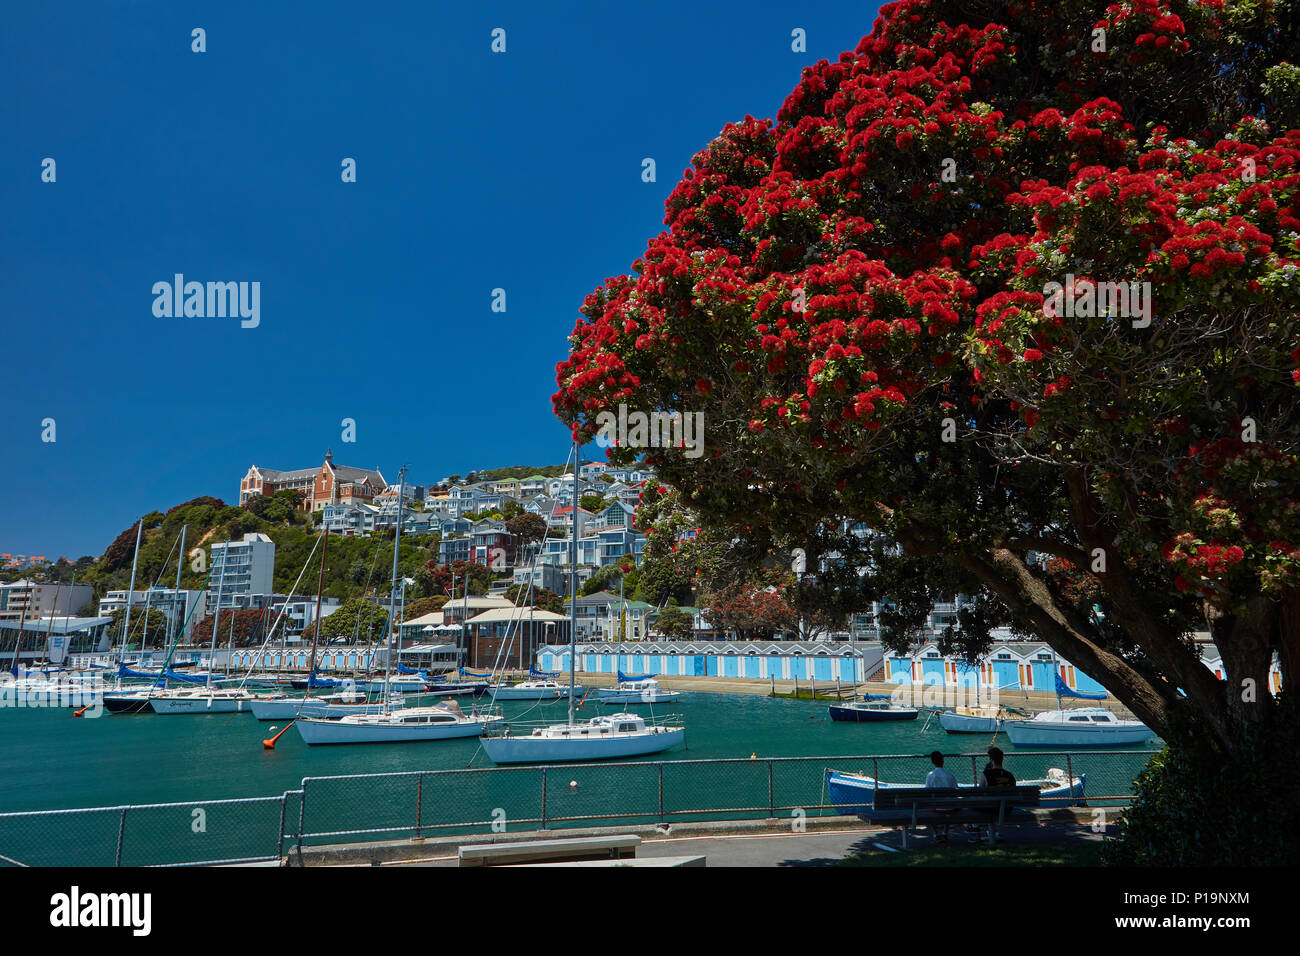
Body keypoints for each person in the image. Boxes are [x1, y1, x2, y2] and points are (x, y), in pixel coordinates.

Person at [975, 746, 1017, 844]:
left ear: (991, 760)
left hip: (990, 808)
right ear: (1002, 759)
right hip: (1006, 809)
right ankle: (991, 833)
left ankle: (975, 828)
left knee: (973, 805)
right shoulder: (1010, 775)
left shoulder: (986, 774)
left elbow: (980, 792)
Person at [924, 751, 958, 843]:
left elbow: (927, 791)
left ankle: (935, 833)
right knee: (948, 805)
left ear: (932, 762)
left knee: (925, 810)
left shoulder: (930, 776)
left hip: (936, 807)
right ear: (943, 761)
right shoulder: (950, 775)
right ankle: (945, 832)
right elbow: (956, 790)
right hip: (949, 807)